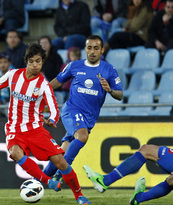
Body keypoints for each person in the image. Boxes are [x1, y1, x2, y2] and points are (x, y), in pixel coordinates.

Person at [0, 43, 91, 205]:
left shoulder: (43, 85)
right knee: (15, 152)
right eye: (32, 61)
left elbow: (53, 107)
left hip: (36, 129)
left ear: (42, 62)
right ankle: (47, 180)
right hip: (15, 128)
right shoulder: (13, 75)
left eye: (38, 61)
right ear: (26, 61)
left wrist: (52, 119)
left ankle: (79, 195)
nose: (35, 65)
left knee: (61, 161)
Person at [42, 35, 124, 182]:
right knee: (82, 136)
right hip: (72, 109)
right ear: (85, 49)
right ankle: (62, 175)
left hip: (89, 117)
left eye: (96, 48)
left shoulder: (109, 69)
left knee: (62, 151)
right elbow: (57, 82)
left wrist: (110, 90)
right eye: (89, 48)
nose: (92, 51)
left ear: (102, 50)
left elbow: (120, 95)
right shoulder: (74, 66)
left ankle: (39, 180)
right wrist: (39, 96)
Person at [39, 36, 65, 104]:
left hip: (55, 87)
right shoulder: (35, 58)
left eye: (46, 43)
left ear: (50, 44)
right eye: (42, 43)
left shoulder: (57, 57)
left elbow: (60, 74)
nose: (44, 45)